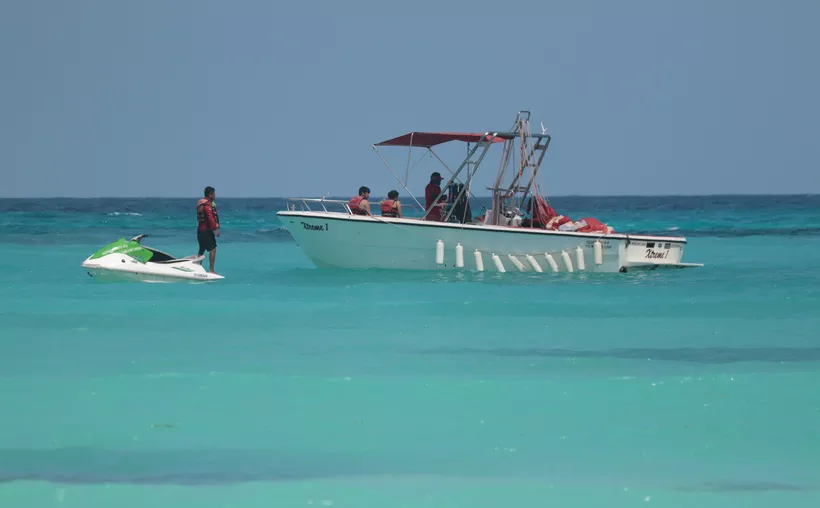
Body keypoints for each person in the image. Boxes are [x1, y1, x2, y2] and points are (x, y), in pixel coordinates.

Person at [196, 186, 220, 273]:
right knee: (213, 249)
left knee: (201, 249)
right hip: (206, 230)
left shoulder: (201, 203)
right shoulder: (207, 204)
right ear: (210, 194)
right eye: (214, 194)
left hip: (200, 230)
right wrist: (215, 229)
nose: (215, 195)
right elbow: (210, 218)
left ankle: (197, 268)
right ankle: (211, 270)